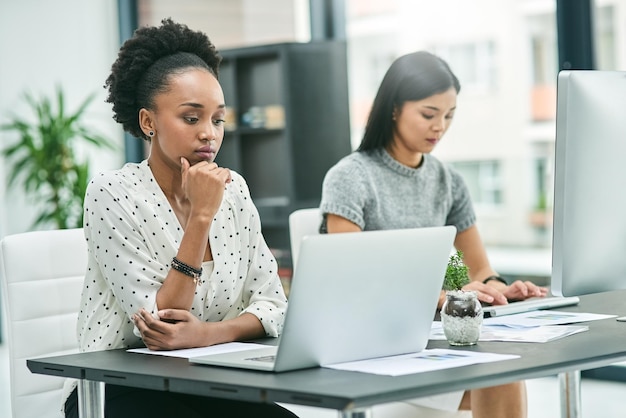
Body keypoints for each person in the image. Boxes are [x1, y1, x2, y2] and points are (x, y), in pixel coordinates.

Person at [61, 18, 298, 418]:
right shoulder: (113, 193)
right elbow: (157, 328)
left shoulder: (234, 189)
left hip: (215, 380)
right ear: (148, 122)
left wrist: (208, 334)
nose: (209, 133)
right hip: (122, 388)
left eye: (218, 119)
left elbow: (274, 305)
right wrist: (200, 216)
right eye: (192, 118)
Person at [320, 51, 548, 418]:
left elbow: (479, 271)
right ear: (394, 109)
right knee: (501, 376)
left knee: (507, 370)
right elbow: (354, 286)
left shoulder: (448, 181)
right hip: (375, 342)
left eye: (449, 116)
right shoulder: (350, 177)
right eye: (429, 114)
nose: (439, 126)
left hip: (434, 335)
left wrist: (500, 289)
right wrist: (451, 297)